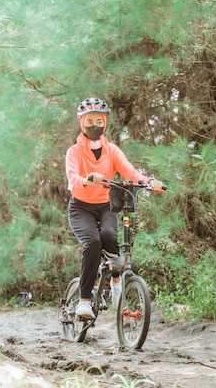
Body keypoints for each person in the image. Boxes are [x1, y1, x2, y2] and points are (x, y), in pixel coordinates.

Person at [65, 97, 163, 318]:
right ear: (82, 123)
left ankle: (117, 285)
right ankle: (84, 301)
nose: (94, 126)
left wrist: (149, 182)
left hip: (105, 206)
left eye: (98, 121)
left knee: (110, 236)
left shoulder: (112, 151)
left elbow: (131, 172)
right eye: (89, 121)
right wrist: (88, 179)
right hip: (80, 208)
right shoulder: (74, 151)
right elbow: (72, 177)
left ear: (105, 122)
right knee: (92, 243)